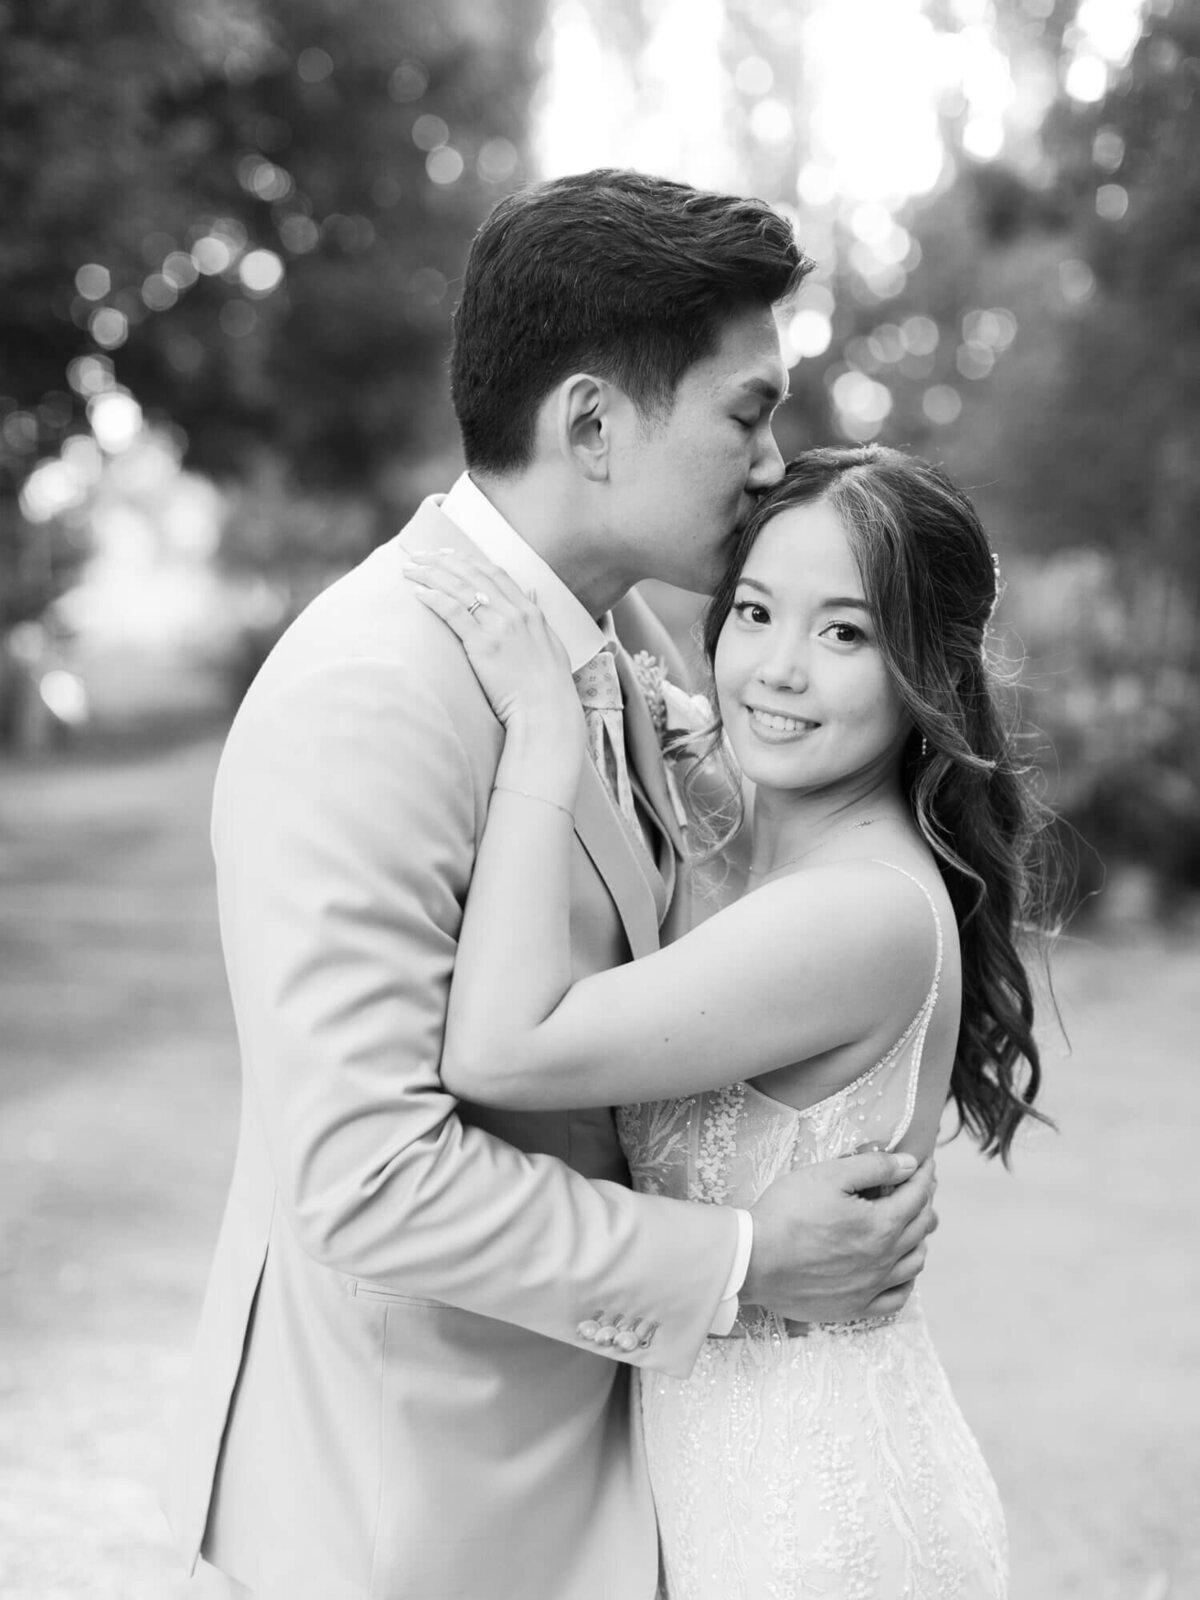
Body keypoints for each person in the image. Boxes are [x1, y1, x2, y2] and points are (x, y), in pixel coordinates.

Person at [163, 172, 937, 1600]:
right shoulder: (372, 689)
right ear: (590, 423)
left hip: (595, 1481)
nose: (776, 462)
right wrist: (749, 1253)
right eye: (748, 412)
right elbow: (367, 1177)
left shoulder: (610, 642)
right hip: (413, 1513)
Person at [406, 443, 1050, 1599]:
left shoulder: (854, 913)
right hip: (729, 1492)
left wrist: (542, 741)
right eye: (754, 609)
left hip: (819, 1523)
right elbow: (670, 681)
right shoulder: (761, 824)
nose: (778, 670)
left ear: (928, 671)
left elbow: (500, 1047)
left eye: (845, 632)